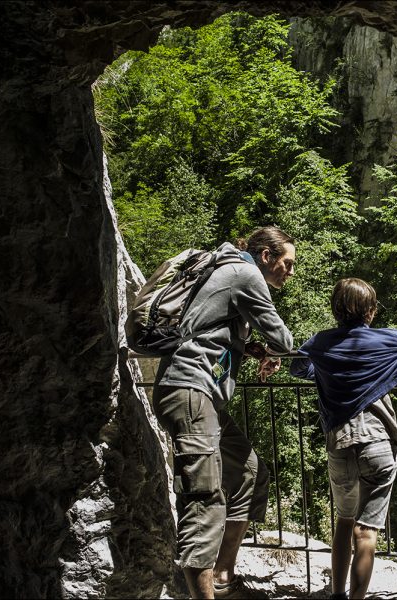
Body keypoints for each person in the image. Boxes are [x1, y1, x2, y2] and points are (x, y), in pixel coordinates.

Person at [152, 226, 296, 599]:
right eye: (287, 263)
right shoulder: (245, 274)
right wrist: (275, 348)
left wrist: (248, 348)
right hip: (190, 390)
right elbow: (283, 339)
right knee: (204, 497)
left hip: (199, 395)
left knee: (250, 472)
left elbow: (207, 329)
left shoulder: (228, 270)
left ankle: (222, 577)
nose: (291, 272)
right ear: (266, 256)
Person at [290, 278, 397, 600]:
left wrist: (325, 373)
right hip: (377, 444)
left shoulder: (321, 343)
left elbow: (298, 368)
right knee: (366, 532)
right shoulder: (392, 341)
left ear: (335, 310)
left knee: (344, 521)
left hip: (340, 444)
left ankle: (337, 595)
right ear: (372, 311)